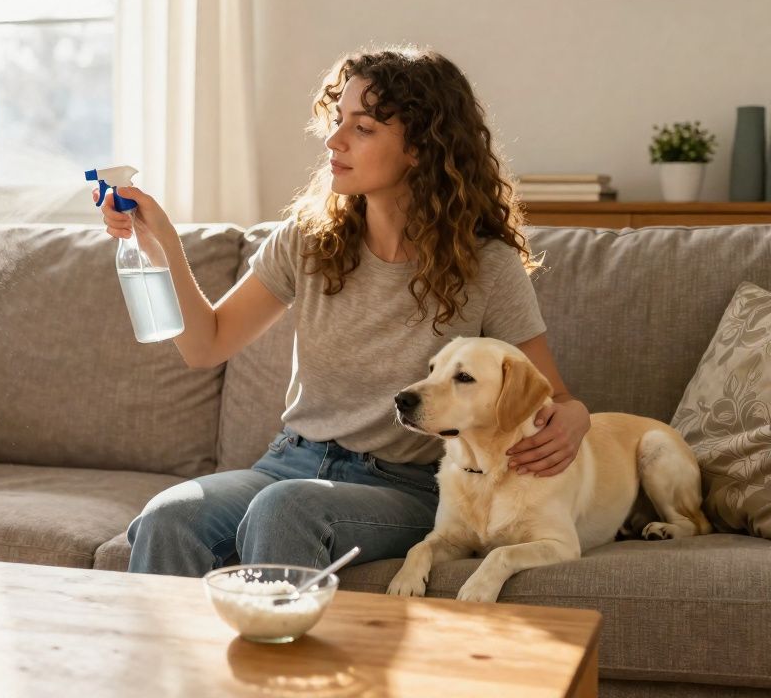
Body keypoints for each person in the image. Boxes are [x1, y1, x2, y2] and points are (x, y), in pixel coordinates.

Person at [100, 47, 592, 576]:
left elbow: (551, 395)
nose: (334, 141)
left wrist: (576, 416)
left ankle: (286, 662)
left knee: (288, 509)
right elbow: (205, 345)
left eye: (363, 128)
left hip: (405, 485)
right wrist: (161, 242)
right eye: (337, 122)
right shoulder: (307, 242)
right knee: (169, 516)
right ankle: (175, 662)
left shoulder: (486, 266)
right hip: (290, 463)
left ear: (421, 148)